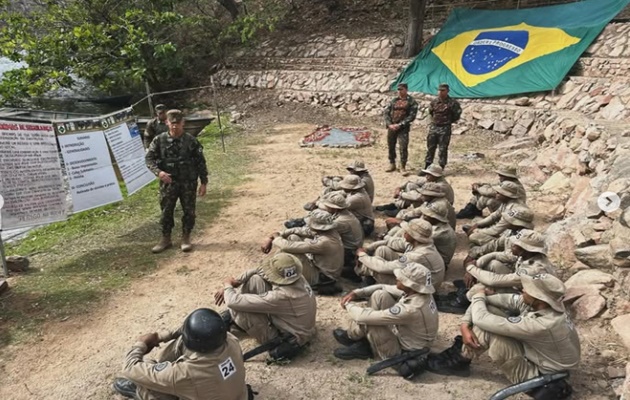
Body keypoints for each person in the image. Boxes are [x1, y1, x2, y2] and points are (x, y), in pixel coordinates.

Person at [427, 274, 579, 400]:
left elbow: (482, 319)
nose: (522, 290)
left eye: (527, 290)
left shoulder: (543, 323)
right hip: (542, 360)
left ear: (538, 298)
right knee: (488, 308)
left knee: (486, 329)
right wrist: (466, 323)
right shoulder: (545, 306)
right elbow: (495, 301)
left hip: (543, 376)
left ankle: (458, 361)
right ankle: (461, 355)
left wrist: (479, 295)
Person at [113, 308, 250, 400]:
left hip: (192, 382)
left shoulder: (185, 374)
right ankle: (158, 373)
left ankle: (139, 389)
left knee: (150, 384)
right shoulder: (231, 340)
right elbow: (187, 331)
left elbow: (129, 368)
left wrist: (140, 344)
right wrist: (161, 336)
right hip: (238, 395)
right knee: (182, 342)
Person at [333, 263, 438, 379]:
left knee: (371, 322)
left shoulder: (412, 309)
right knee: (380, 295)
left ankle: (355, 338)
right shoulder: (418, 292)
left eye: (401, 278)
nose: (397, 278)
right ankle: (362, 337)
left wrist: (347, 304)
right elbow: (382, 287)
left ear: (410, 284)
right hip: (406, 334)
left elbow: (362, 317)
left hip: (406, 352)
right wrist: (357, 293)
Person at [215, 253, 316, 362]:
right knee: (255, 279)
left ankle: (240, 321)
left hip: (289, 338)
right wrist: (237, 281)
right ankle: (240, 321)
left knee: (239, 308)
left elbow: (232, 301)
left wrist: (227, 285)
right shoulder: (297, 277)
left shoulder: (281, 297)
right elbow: (259, 270)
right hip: (300, 325)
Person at [145, 110, 208, 253]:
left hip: (188, 182)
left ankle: (186, 238)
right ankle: (165, 239)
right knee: (166, 211)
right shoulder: (159, 140)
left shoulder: (191, 141)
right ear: (167, 122)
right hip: (168, 183)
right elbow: (149, 159)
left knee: (189, 211)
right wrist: (159, 173)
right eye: (172, 124)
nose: (175, 127)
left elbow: (200, 162)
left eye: (178, 124)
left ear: (183, 123)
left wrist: (204, 182)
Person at [264, 209, 344, 295]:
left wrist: (276, 237)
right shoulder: (330, 232)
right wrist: (278, 234)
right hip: (321, 270)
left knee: (288, 250)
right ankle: (274, 268)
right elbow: (301, 231)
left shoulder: (324, 242)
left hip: (323, 278)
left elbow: (288, 246)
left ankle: (273, 271)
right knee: (293, 237)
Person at [356, 218, 444, 288]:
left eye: (407, 232)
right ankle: (371, 280)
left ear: (414, 236)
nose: (404, 233)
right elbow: (391, 242)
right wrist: (369, 248)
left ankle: (359, 274)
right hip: (417, 276)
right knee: (382, 250)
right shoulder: (418, 243)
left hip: (422, 287)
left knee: (376, 269)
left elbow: (384, 267)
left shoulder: (419, 255)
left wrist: (362, 256)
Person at [465, 181, 527, 246]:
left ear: (506, 195)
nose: (496, 194)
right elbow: (494, 216)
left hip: (509, 236)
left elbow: (495, 230)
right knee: (476, 220)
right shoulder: (506, 203)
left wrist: (476, 230)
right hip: (503, 229)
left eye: (498, 193)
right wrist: (477, 225)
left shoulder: (513, 209)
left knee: (474, 236)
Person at [467, 204, 534, 260]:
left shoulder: (525, 238)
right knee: (475, 248)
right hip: (504, 255)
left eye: (510, 220)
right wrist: (477, 251)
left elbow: (512, 258)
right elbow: (496, 244)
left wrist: (489, 256)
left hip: (513, 268)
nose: (506, 221)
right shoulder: (512, 231)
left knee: (493, 264)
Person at [457, 167, 527, 219]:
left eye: (501, 175)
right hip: (508, 204)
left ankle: (474, 210)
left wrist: (477, 188)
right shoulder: (508, 181)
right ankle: (471, 210)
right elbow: (491, 185)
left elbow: (490, 192)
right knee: (483, 192)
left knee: (488, 199)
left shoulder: (510, 185)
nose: (499, 177)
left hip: (513, 208)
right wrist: (480, 184)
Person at [424, 83, 462, 170]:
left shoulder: (453, 103)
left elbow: (457, 114)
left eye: (443, 90)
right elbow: (430, 112)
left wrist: (448, 122)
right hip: (434, 127)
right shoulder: (434, 102)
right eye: (439, 90)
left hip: (445, 128)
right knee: (430, 148)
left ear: (448, 91)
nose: (440, 92)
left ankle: (441, 168)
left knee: (443, 149)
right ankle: (427, 167)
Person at [384, 82, 419, 173]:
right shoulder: (394, 100)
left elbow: (411, 116)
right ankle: (392, 163)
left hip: (403, 128)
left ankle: (402, 166)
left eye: (401, 89)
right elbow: (386, 113)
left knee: (403, 147)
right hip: (392, 127)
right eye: (398, 89)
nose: (399, 91)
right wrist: (389, 124)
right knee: (391, 146)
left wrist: (400, 125)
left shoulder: (411, 101)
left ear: (406, 90)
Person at [419, 201, 456, 268]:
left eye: (427, 215)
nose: (423, 217)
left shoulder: (440, 232)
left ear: (435, 218)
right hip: (436, 258)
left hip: (439, 264)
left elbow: (417, 239)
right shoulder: (439, 225)